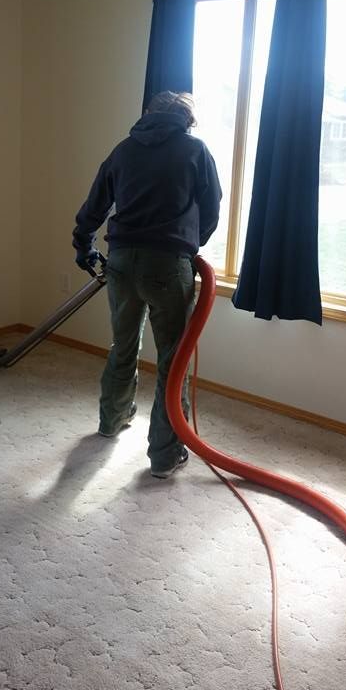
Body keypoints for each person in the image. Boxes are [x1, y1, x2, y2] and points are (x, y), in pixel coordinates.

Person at [72, 91, 221, 479]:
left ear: (149, 116)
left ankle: (111, 420)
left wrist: (84, 245)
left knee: (123, 344)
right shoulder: (195, 151)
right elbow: (211, 206)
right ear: (185, 120)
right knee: (173, 360)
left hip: (120, 260)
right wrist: (191, 244)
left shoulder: (122, 151)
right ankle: (165, 455)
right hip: (168, 264)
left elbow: (94, 206)